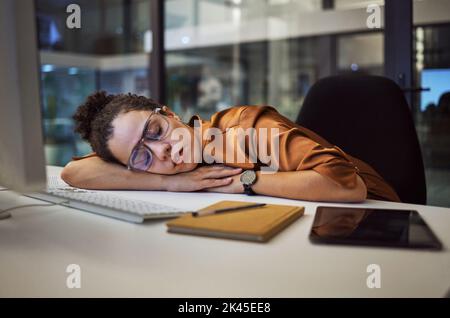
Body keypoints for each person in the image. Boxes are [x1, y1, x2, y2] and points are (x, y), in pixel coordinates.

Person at [61, 91, 401, 203]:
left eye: (155, 130)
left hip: (372, 213)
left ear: (170, 113)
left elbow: (349, 186)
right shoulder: (164, 168)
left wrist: (246, 182)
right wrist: (168, 182)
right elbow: (75, 172)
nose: (160, 151)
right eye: (140, 155)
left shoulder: (244, 129)